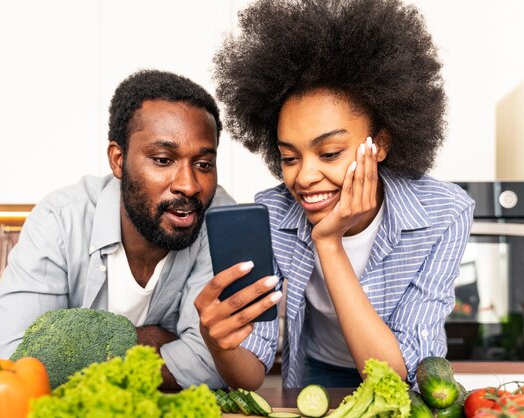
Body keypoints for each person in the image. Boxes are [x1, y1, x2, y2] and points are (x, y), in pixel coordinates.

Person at [195, 0, 474, 389]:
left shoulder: (444, 214)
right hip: (317, 369)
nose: (305, 177)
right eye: (289, 157)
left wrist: (328, 243)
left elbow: (395, 376)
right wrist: (219, 343)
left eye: (329, 153)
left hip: (396, 374)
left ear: (380, 143)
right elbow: (250, 377)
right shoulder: (273, 214)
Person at [0, 69, 237, 390]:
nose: (188, 185)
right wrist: (150, 342)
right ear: (118, 160)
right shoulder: (60, 222)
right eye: (162, 159)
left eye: (203, 164)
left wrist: (75, 355)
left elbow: (215, 363)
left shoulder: (221, 219)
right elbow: (5, 363)